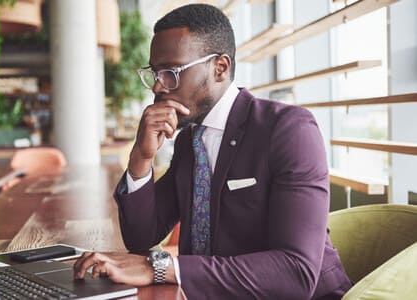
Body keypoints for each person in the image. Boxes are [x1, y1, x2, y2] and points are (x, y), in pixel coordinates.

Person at [74, 4, 352, 299]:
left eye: (171, 72)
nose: (158, 86)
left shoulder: (288, 130)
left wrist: (162, 267)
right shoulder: (189, 141)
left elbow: (295, 273)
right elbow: (142, 238)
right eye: (155, 73)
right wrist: (141, 158)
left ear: (220, 67)